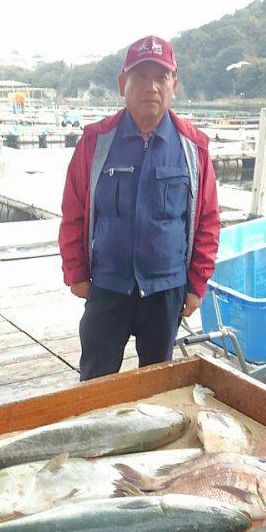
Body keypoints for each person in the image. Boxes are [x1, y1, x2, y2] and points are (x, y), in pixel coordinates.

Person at [59, 35, 220, 380]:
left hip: (165, 291)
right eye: (141, 76)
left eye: (161, 77)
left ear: (174, 85)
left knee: (157, 386)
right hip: (107, 285)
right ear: (123, 84)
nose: (152, 86)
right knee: (96, 383)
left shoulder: (195, 148)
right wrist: (75, 271)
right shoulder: (95, 142)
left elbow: (208, 221)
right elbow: (73, 212)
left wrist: (196, 284)